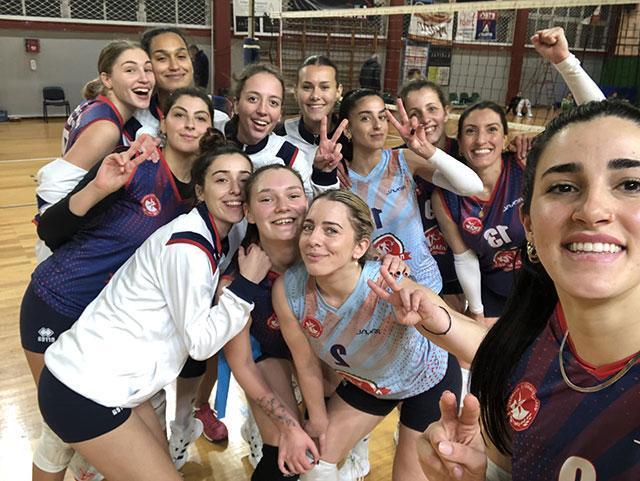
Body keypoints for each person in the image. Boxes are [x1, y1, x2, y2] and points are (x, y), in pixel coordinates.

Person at [417, 100, 640, 481]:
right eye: (564, 187)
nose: (593, 210)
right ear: (529, 224)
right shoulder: (520, 354)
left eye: (631, 185)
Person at [37, 138, 270, 481]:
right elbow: (200, 344)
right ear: (200, 191)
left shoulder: (220, 231)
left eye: (244, 180)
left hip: (101, 377)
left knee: (59, 456)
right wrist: (245, 287)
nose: (235, 189)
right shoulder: (188, 248)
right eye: (221, 179)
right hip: (88, 389)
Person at [21, 87, 213, 481]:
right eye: (180, 114)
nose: (189, 125)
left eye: (200, 118)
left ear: (209, 130)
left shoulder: (201, 194)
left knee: (113, 449)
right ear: (163, 122)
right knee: (59, 435)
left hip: (113, 328)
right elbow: (51, 231)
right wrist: (97, 188)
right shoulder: (134, 165)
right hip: (60, 304)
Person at [273, 189, 486, 481]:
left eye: (331, 230)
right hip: (369, 383)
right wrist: (318, 418)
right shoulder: (289, 291)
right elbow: (306, 362)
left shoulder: (389, 282)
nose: (313, 239)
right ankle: (357, 461)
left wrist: (422, 304)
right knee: (314, 467)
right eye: (308, 227)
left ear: (360, 247)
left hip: (427, 380)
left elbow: (451, 323)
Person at [431, 26, 605, 325]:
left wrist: (564, 61)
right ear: (459, 142)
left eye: (492, 130)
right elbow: (465, 257)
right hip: (495, 296)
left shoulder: (526, 163)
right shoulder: (448, 196)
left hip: (550, 289)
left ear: (505, 139)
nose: (481, 140)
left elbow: (599, 120)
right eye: (470, 131)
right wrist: (477, 311)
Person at [337, 89, 483, 293]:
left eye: (382, 117)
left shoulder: (403, 159)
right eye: (365, 118)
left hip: (423, 284)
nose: (378, 125)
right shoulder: (338, 176)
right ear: (347, 128)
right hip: (372, 289)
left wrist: (427, 150)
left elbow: (473, 186)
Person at [35, 40, 155, 263]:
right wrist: (54, 231)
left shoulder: (97, 104)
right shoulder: (106, 129)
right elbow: (54, 183)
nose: (144, 78)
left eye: (148, 69)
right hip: (66, 236)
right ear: (107, 79)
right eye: (130, 70)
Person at [223, 63, 339, 199]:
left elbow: (309, 205)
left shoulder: (290, 156)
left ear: (280, 114)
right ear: (236, 104)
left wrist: (323, 174)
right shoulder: (213, 140)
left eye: (273, 103)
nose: (262, 110)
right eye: (253, 99)